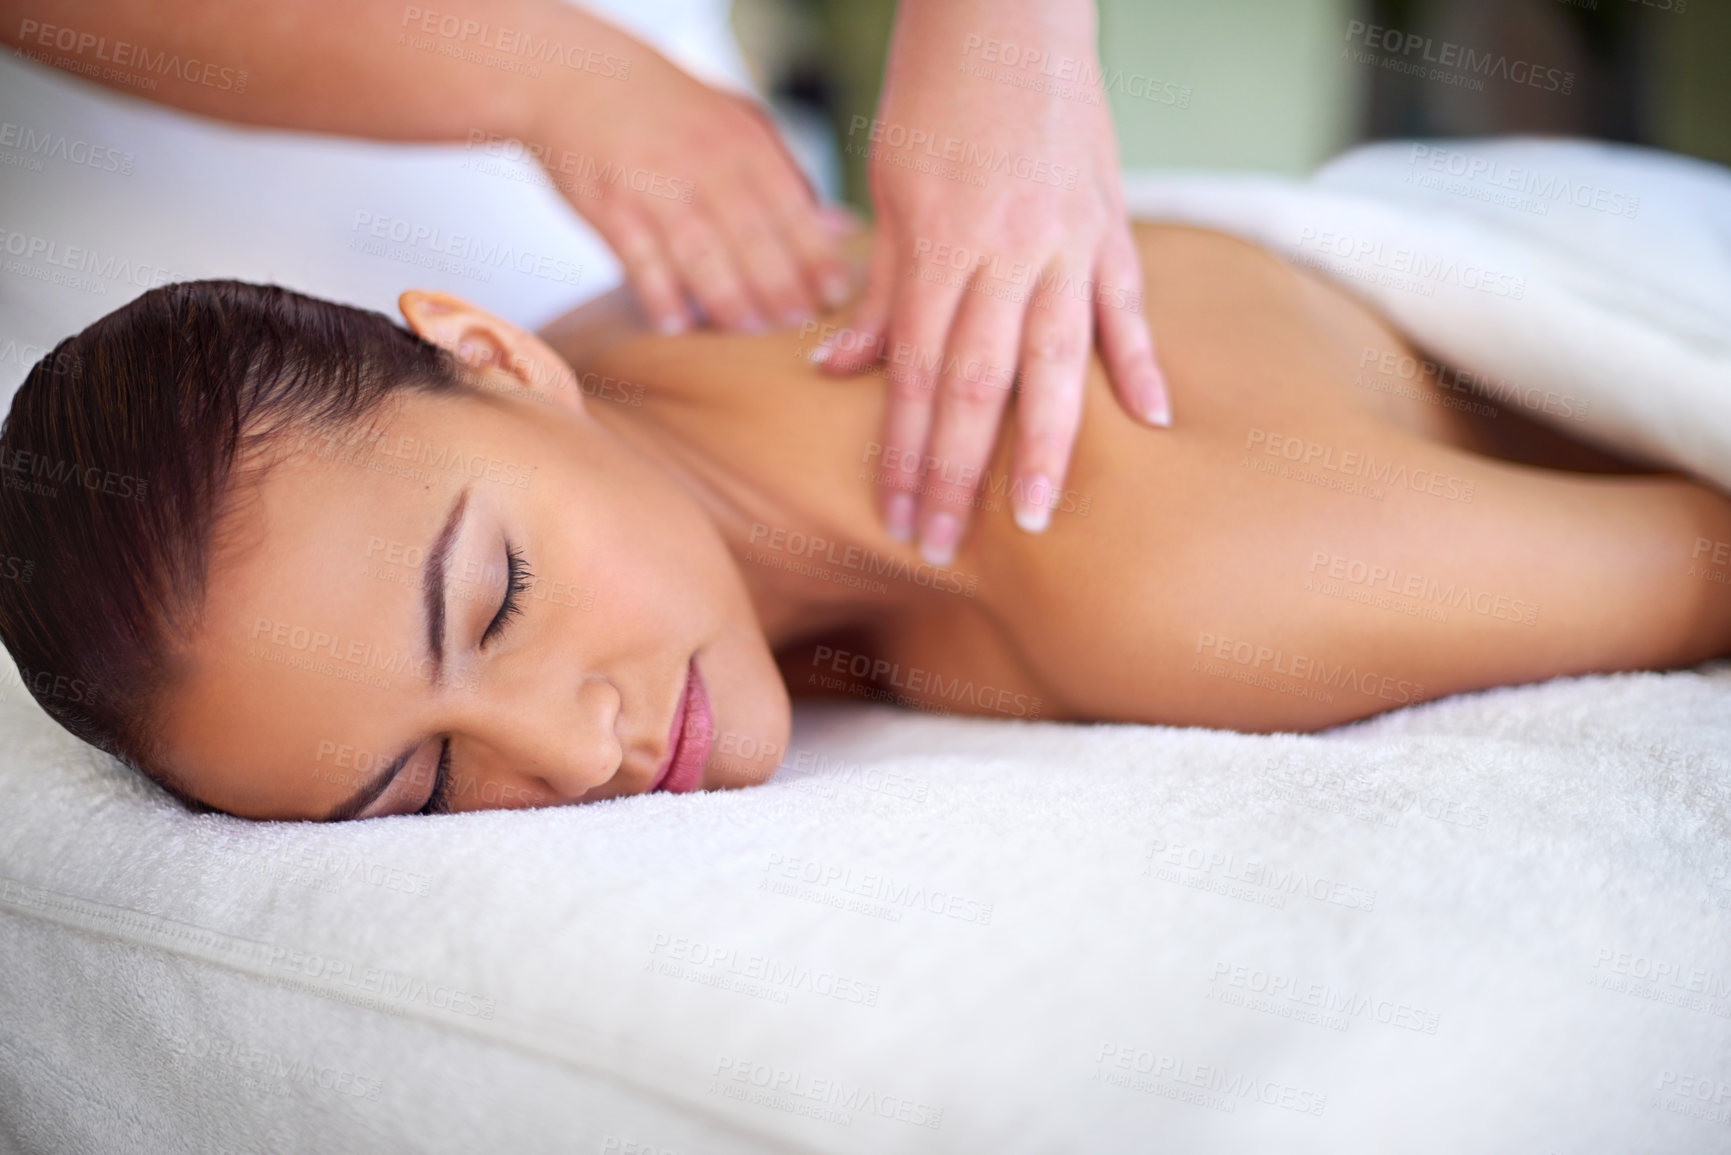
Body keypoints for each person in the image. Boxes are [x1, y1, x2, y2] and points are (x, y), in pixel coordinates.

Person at [2, 220, 1727, 821]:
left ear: (494, 353)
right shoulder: (629, 339)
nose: (566, 746)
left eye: (501, 601)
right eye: (420, 781)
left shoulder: (1172, 580)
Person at [2, 0, 1168, 565]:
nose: (584, 754)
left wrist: (1005, 39)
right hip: (156, 360)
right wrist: (551, 74)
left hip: (685, 203)